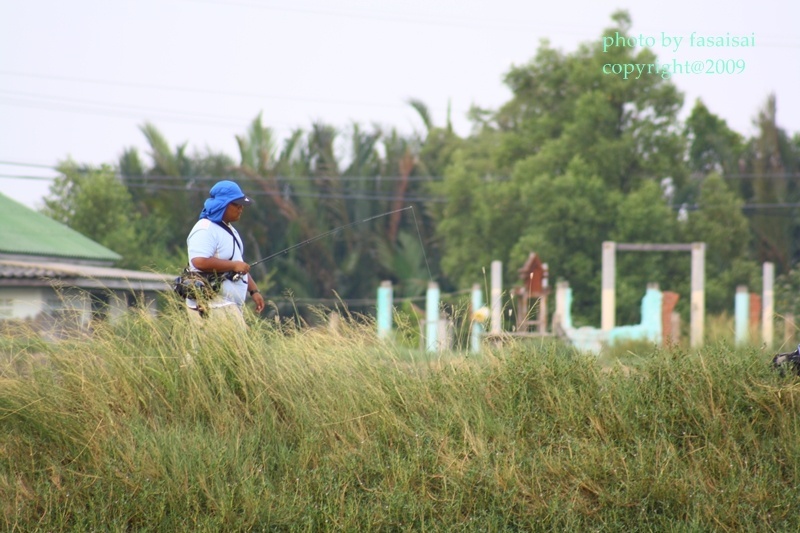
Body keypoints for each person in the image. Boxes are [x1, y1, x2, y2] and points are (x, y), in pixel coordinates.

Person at [185, 180, 265, 324]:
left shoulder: (228, 229)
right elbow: (199, 261)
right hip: (211, 308)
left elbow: (238, 264)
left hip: (227, 306)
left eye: (242, 205)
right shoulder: (205, 228)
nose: (241, 208)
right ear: (222, 204)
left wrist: (253, 290)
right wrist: (233, 266)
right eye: (236, 204)